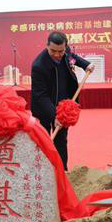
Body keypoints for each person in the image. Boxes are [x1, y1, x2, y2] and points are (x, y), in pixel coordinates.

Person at [30, 32, 94, 170]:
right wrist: (55, 115)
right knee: (44, 140)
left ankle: (62, 171)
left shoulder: (66, 52)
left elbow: (73, 57)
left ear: (65, 47)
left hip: (63, 105)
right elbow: (41, 96)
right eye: (53, 51)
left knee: (61, 140)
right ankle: (43, 171)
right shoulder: (38, 66)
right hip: (43, 108)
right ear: (47, 46)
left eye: (61, 51)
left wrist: (85, 65)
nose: (57, 54)